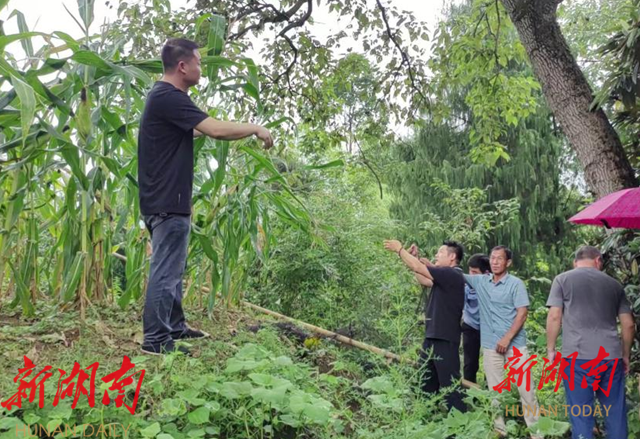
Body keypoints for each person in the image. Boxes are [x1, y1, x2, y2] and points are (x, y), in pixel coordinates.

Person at [138, 38, 273, 355]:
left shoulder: (165, 98)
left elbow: (197, 127)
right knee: (165, 271)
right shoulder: (168, 96)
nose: (201, 68)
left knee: (173, 267)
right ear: (182, 66)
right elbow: (215, 129)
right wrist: (254, 128)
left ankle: (174, 327)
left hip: (165, 200)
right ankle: (155, 340)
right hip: (167, 201)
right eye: (198, 62)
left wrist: (229, 127)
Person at [546, 246, 635, 439]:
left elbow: (554, 316)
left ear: (575, 262)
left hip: (577, 358)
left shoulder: (562, 280)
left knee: (581, 415)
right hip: (610, 358)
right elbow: (628, 325)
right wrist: (625, 355)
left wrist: (551, 349)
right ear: (598, 261)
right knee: (615, 414)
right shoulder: (614, 285)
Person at [464, 246, 542, 439]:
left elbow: (522, 313)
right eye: (492, 258)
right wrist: (419, 260)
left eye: (499, 258)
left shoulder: (516, 284)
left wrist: (507, 338)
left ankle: (537, 433)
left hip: (516, 346)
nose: (495, 261)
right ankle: (500, 431)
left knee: (527, 390)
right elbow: (450, 273)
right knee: (495, 392)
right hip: (490, 346)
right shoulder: (481, 281)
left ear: (508, 262)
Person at [384, 239, 467, 412]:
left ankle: (460, 421)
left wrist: (399, 250)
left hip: (445, 338)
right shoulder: (444, 277)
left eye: (440, 252)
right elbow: (423, 278)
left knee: (450, 386)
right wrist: (414, 257)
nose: (436, 255)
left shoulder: (452, 274)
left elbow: (418, 267)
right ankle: (425, 417)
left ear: (452, 257)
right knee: (425, 382)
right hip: (432, 337)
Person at [462, 254, 490, 384]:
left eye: (475, 272)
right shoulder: (466, 287)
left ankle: (491, 391)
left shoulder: (492, 285)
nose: (471, 275)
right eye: (470, 271)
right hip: (470, 325)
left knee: (491, 362)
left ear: (486, 273)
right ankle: (469, 392)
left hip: (489, 327)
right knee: (470, 363)